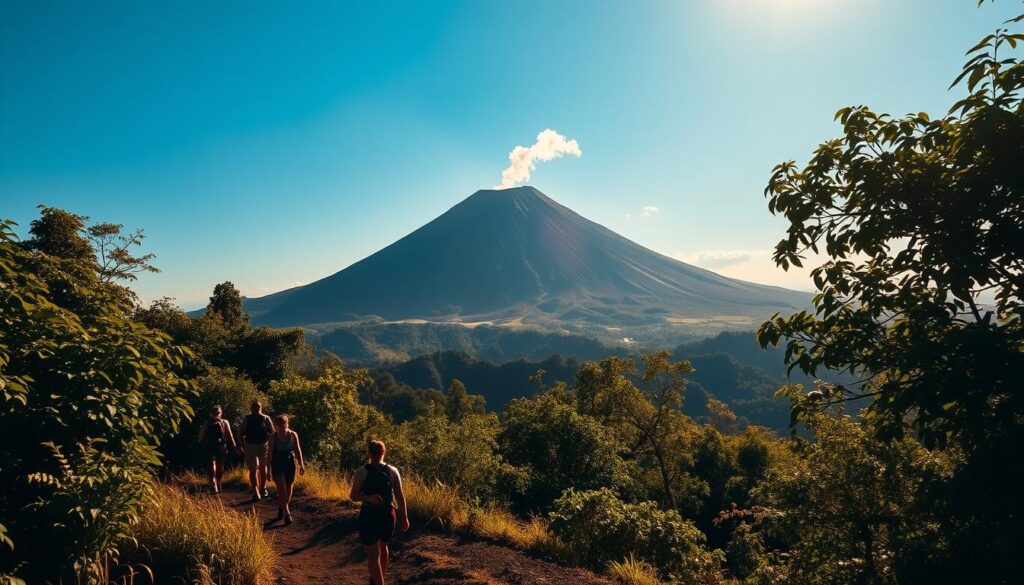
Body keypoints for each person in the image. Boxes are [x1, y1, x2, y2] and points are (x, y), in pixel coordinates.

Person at [350, 440, 410, 585]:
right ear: (384, 452)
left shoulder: (361, 472)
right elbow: (400, 496)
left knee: (372, 555)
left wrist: (368, 498)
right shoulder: (393, 471)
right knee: (383, 547)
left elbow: (354, 496)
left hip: (369, 515)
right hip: (388, 515)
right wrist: (404, 517)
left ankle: (378, 581)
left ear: (368, 453)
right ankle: (378, 578)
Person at [268, 414, 304, 525]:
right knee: (282, 489)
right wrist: (268, 469)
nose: (282, 428)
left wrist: (301, 465)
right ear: (276, 426)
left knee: (289, 488)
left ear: (287, 424)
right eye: (279, 426)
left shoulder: (293, 435)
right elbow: (269, 453)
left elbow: (298, 450)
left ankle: (282, 507)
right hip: (277, 463)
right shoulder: (273, 437)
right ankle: (287, 513)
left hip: (290, 463)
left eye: (284, 426)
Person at [239, 400, 275, 502]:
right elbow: (272, 433)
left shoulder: (263, 418)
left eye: (257, 407)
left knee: (259, 468)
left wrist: (241, 443)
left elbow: (240, 432)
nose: (256, 409)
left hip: (259, 445)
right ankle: (258, 490)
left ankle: (260, 489)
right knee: (256, 468)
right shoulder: (250, 418)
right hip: (254, 445)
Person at [198, 405, 236, 494]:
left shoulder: (207, 422)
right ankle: (218, 484)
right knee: (220, 465)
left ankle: (213, 484)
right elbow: (229, 435)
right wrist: (234, 445)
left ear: (211, 413)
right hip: (221, 446)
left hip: (209, 446)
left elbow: (200, 436)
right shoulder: (225, 422)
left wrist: (201, 444)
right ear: (221, 413)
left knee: (212, 465)